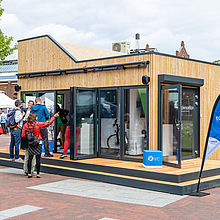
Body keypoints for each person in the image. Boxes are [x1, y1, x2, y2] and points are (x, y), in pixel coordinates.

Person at [21, 112, 59, 178]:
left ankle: (29, 173)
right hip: (38, 142)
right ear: (35, 118)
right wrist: (54, 117)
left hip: (30, 143)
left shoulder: (25, 125)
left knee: (30, 158)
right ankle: (38, 173)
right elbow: (48, 123)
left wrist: (29, 135)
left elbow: (23, 135)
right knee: (38, 158)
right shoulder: (37, 124)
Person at [22, 100, 36, 175]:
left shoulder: (25, 125)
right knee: (32, 157)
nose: (30, 105)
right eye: (29, 104)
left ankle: (26, 170)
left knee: (27, 156)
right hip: (33, 141)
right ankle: (31, 170)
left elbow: (23, 135)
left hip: (27, 140)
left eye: (31, 104)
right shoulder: (36, 125)